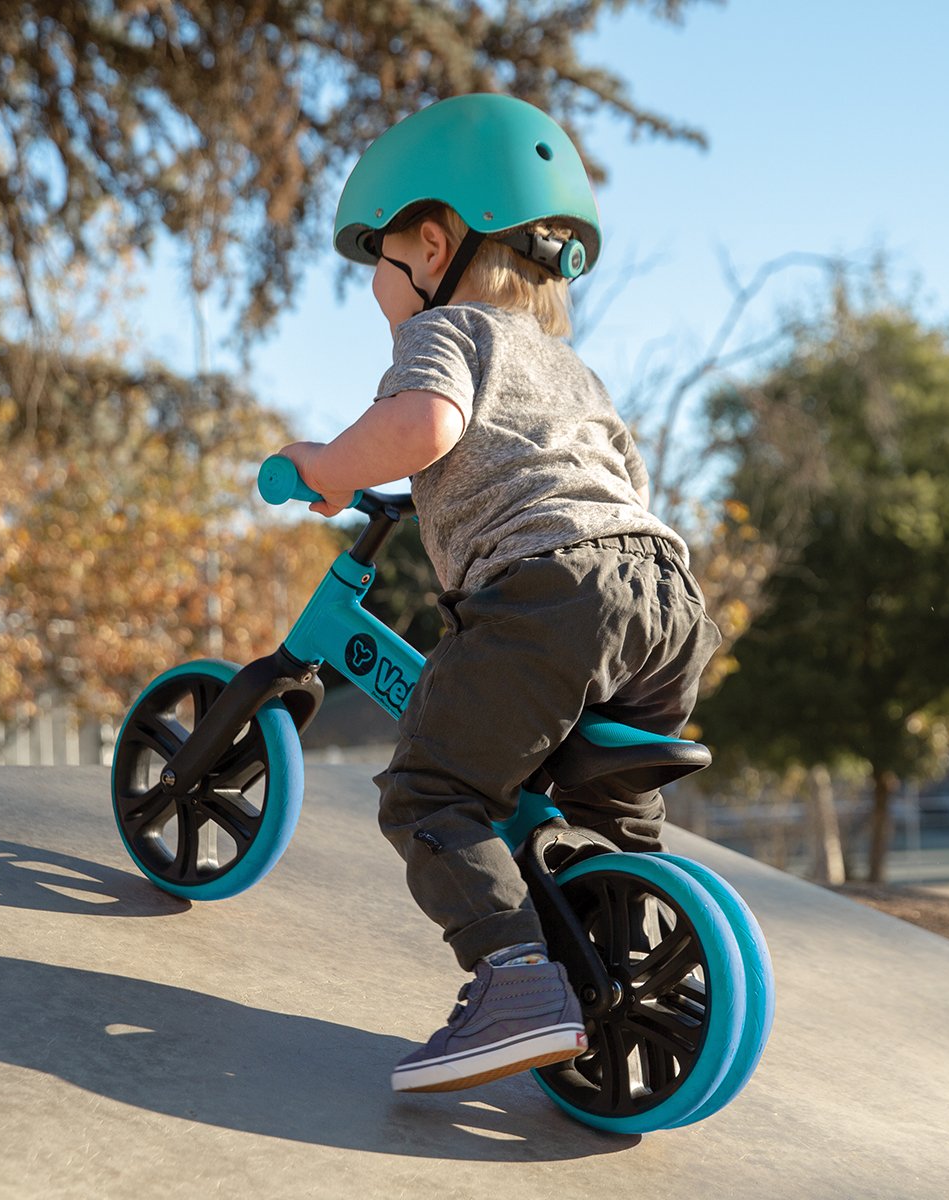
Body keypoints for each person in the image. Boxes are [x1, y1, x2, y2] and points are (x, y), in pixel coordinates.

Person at [278, 94, 720, 1094]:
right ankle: (622, 970)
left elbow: (424, 426)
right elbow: (618, 490)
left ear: (432, 246)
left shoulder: (452, 333)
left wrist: (331, 465)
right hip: (667, 599)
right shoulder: (569, 368)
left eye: (380, 264)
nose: (380, 291)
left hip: (554, 593)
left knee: (433, 790)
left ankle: (517, 982)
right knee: (604, 819)